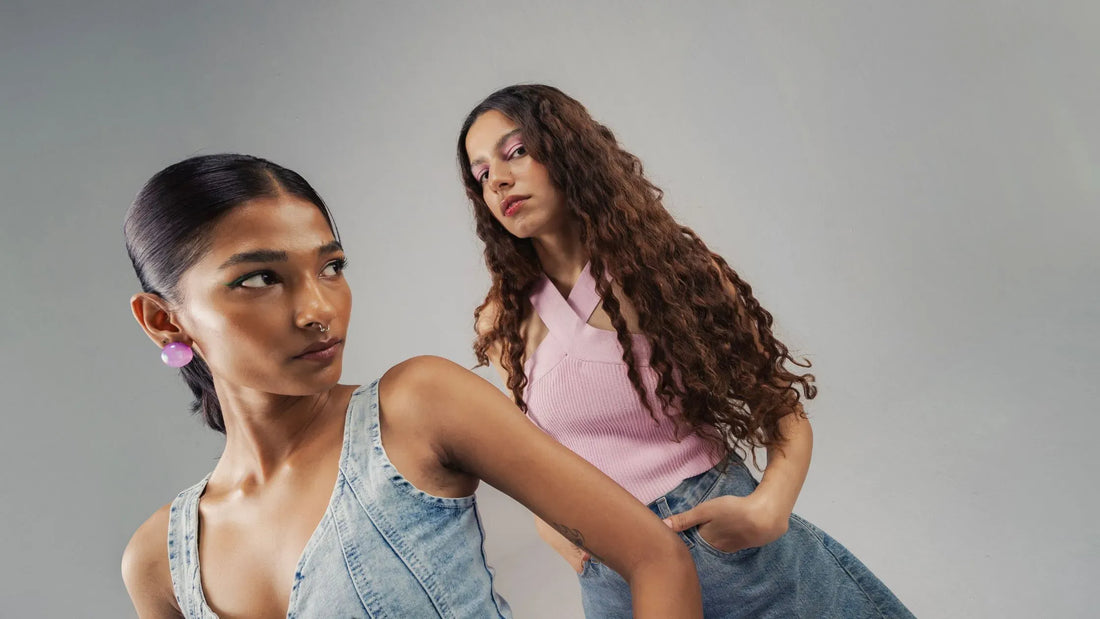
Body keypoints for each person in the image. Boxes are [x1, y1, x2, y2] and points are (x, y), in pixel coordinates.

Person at [119, 153, 703, 618]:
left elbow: (656, 558)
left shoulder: (416, 409)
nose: (318, 309)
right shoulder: (158, 563)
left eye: (331, 267)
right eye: (260, 278)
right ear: (164, 321)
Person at [458, 84, 914, 618]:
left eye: (515, 153)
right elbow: (540, 457)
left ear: (567, 152)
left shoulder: (659, 272)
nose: (500, 181)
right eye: (483, 173)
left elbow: (779, 408)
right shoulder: (502, 321)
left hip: (728, 555)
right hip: (614, 579)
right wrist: (563, 538)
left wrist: (769, 509)